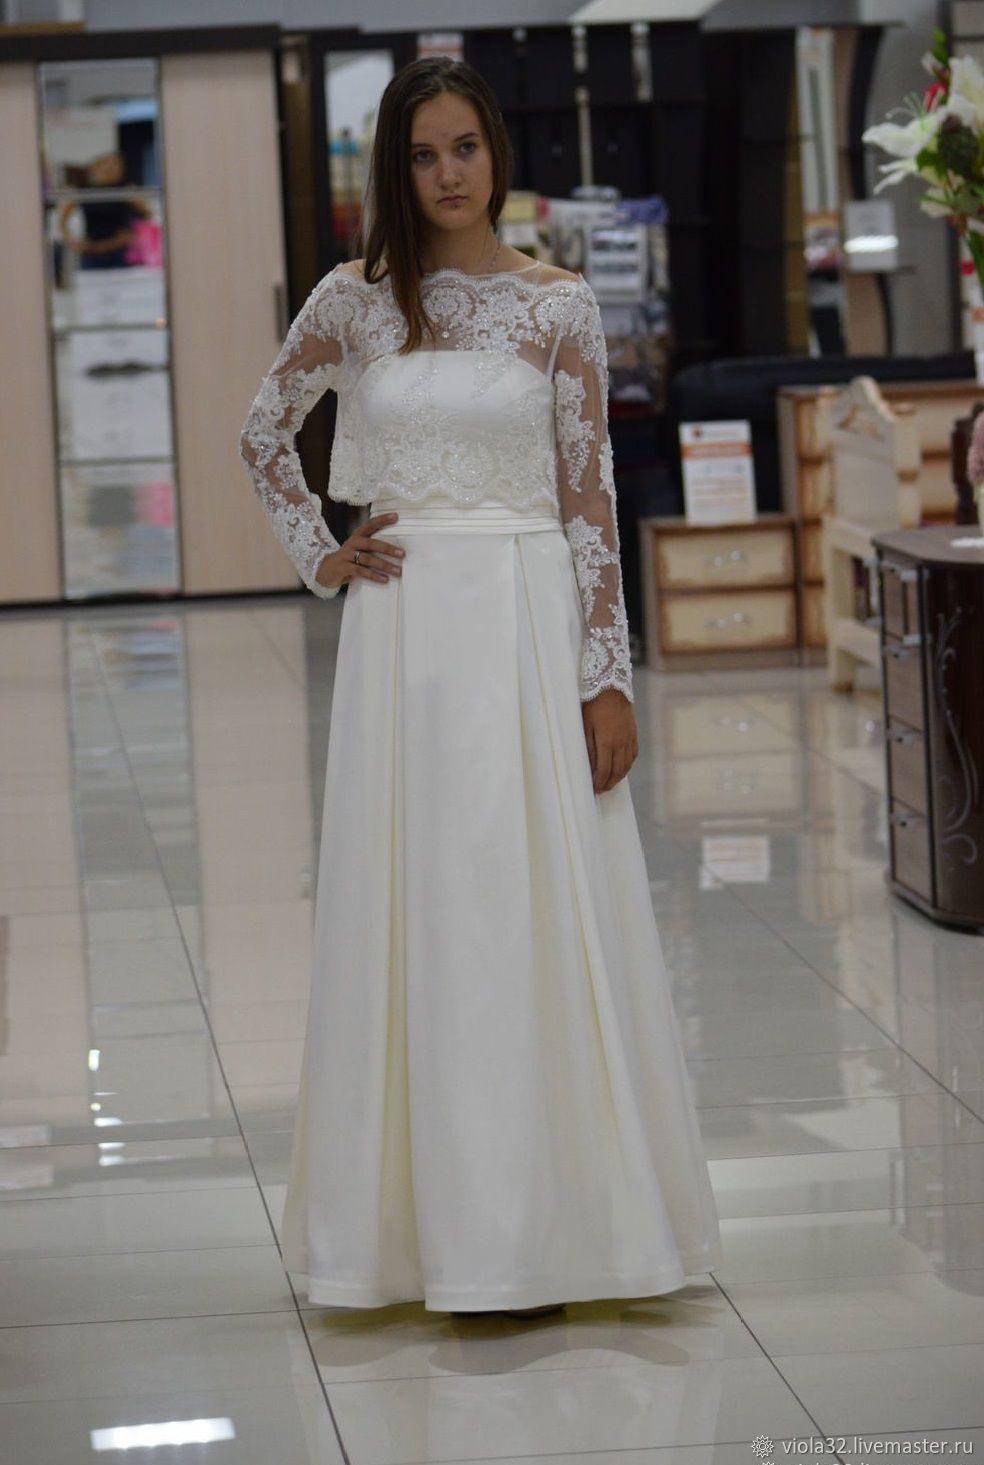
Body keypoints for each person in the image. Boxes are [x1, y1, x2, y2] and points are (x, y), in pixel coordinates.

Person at [239, 55, 723, 1321]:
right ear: (394, 171)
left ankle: (553, 1230)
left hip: (525, 622)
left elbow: (590, 498)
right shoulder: (354, 301)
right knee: (422, 912)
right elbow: (262, 431)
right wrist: (322, 555)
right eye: (422, 154)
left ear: (496, 153)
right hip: (404, 638)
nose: (448, 174)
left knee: (532, 908)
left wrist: (607, 677)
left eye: (464, 147)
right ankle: (428, 1237)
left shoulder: (561, 306)